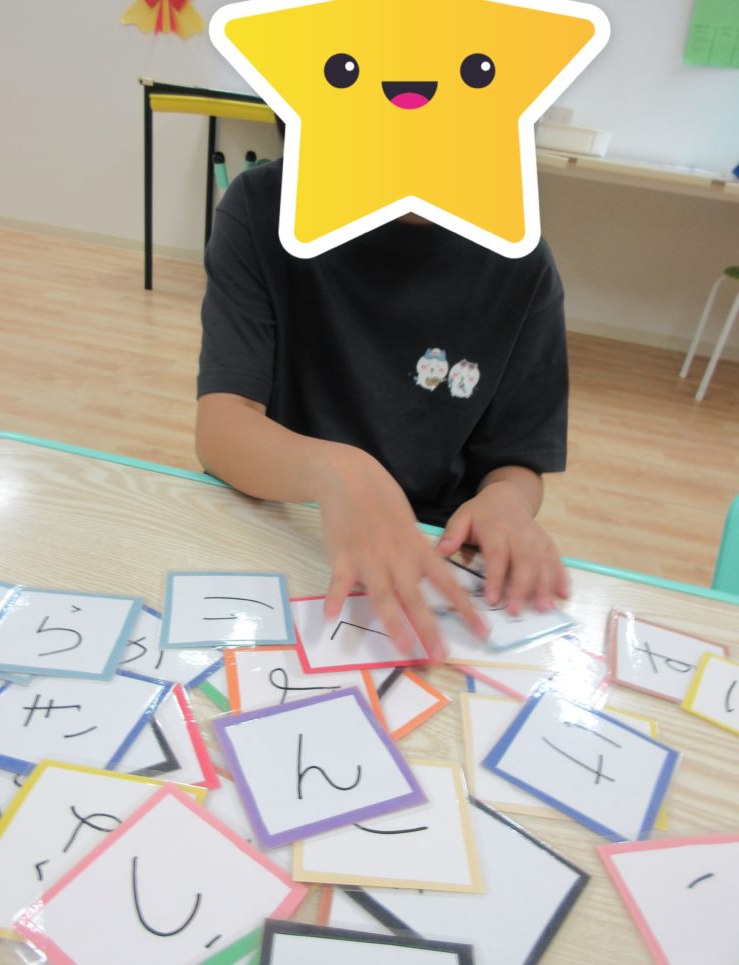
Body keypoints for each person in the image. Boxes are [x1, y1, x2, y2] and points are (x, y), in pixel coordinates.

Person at [196, 152, 570, 662]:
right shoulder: (264, 205)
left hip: (430, 546)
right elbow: (222, 426)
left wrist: (507, 500)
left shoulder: (521, 260)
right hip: (284, 517)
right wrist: (336, 472)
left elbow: (517, 458)